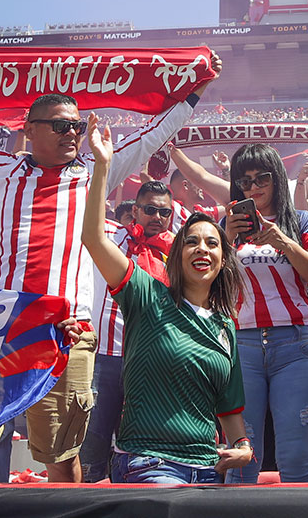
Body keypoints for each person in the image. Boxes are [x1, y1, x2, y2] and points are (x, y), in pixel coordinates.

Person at [0, 54, 217, 483]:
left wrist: (196, 88)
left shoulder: (94, 171)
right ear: (29, 130)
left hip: (65, 332)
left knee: (62, 456)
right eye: (60, 125)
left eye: (76, 125)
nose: (72, 133)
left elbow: (152, 133)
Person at [80, 115, 253, 483]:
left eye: (211, 243)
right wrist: (102, 166)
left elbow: (229, 406)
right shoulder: (146, 295)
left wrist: (242, 446)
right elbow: (94, 239)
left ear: (224, 260)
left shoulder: (225, 325)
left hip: (208, 469)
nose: (201, 249)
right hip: (152, 464)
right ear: (177, 254)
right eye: (191, 241)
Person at [218, 144, 308, 484]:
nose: (253, 187)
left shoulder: (301, 221)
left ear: (277, 178)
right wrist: (225, 239)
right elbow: (208, 283)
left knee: (295, 459)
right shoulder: (226, 226)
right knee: (242, 460)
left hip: (295, 346)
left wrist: (285, 241)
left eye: (261, 177)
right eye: (244, 180)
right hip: (241, 348)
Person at [83, 179, 178, 483]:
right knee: (92, 446)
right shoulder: (109, 236)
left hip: (149, 362)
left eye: (165, 212)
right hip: (103, 358)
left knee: (141, 448)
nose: (158, 218)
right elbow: (85, 220)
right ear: (135, 211)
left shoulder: (178, 251)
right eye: (150, 210)